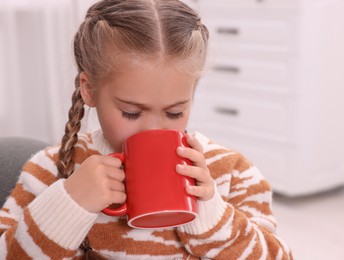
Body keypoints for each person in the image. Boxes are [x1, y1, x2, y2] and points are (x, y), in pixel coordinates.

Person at [0, 0, 293, 259]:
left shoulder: (232, 174)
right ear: (89, 90)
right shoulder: (49, 171)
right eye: (131, 112)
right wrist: (66, 206)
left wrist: (212, 216)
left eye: (174, 112)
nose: (152, 130)